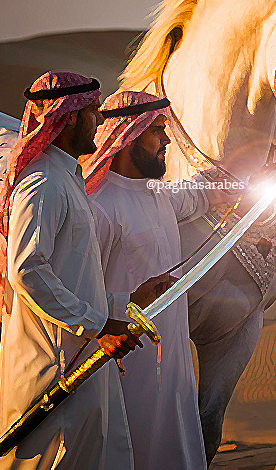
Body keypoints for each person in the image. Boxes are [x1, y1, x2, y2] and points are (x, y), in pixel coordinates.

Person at [0, 71, 141, 470]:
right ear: (68, 117)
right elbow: (27, 271)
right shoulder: (43, 184)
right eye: (91, 111)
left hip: (81, 360)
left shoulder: (67, 179)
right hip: (53, 369)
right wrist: (96, 326)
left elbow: (73, 276)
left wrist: (123, 304)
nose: (99, 121)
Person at [81, 90, 215, 470]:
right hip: (122, 366)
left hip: (171, 361)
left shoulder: (158, 194)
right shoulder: (98, 207)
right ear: (127, 137)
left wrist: (235, 181)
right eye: (157, 131)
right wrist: (125, 303)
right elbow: (80, 293)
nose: (167, 140)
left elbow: (195, 197)